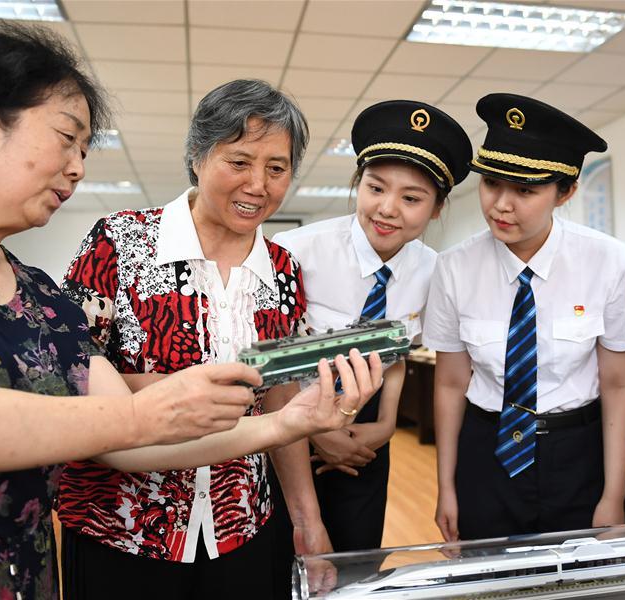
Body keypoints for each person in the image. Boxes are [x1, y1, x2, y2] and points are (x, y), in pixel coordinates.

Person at [0, 26, 381, 600]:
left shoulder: (35, 293)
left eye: (84, 150)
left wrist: (289, 426)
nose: (77, 168)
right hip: (113, 532)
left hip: (70, 563)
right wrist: (167, 401)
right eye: (67, 140)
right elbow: (109, 421)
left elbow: (116, 424)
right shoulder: (118, 241)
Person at [55, 79, 384, 598]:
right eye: (240, 161)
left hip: (240, 524)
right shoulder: (118, 242)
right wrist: (176, 389)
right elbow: (69, 377)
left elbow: (279, 400)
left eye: (277, 169)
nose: (259, 184)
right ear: (197, 156)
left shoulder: (281, 270)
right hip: (120, 525)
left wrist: (306, 516)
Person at [424, 93, 625, 542]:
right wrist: (446, 486)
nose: (501, 205)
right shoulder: (454, 268)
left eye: (524, 190)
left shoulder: (609, 262)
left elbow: (619, 384)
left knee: (583, 584)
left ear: (566, 192)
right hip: (487, 451)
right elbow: (449, 384)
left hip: (579, 450)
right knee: (490, 581)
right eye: (491, 184)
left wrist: (614, 493)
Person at [272, 100, 472, 563]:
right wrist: (314, 433)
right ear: (357, 183)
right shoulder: (296, 253)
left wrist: (383, 428)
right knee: (287, 563)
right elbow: (271, 365)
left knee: (358, 563)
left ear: (438, 208)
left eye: (411, 198)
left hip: (365, 440)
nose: (387, 209)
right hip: (288, 433)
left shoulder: (434, 272)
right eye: (375, 187)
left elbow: (397, 353)